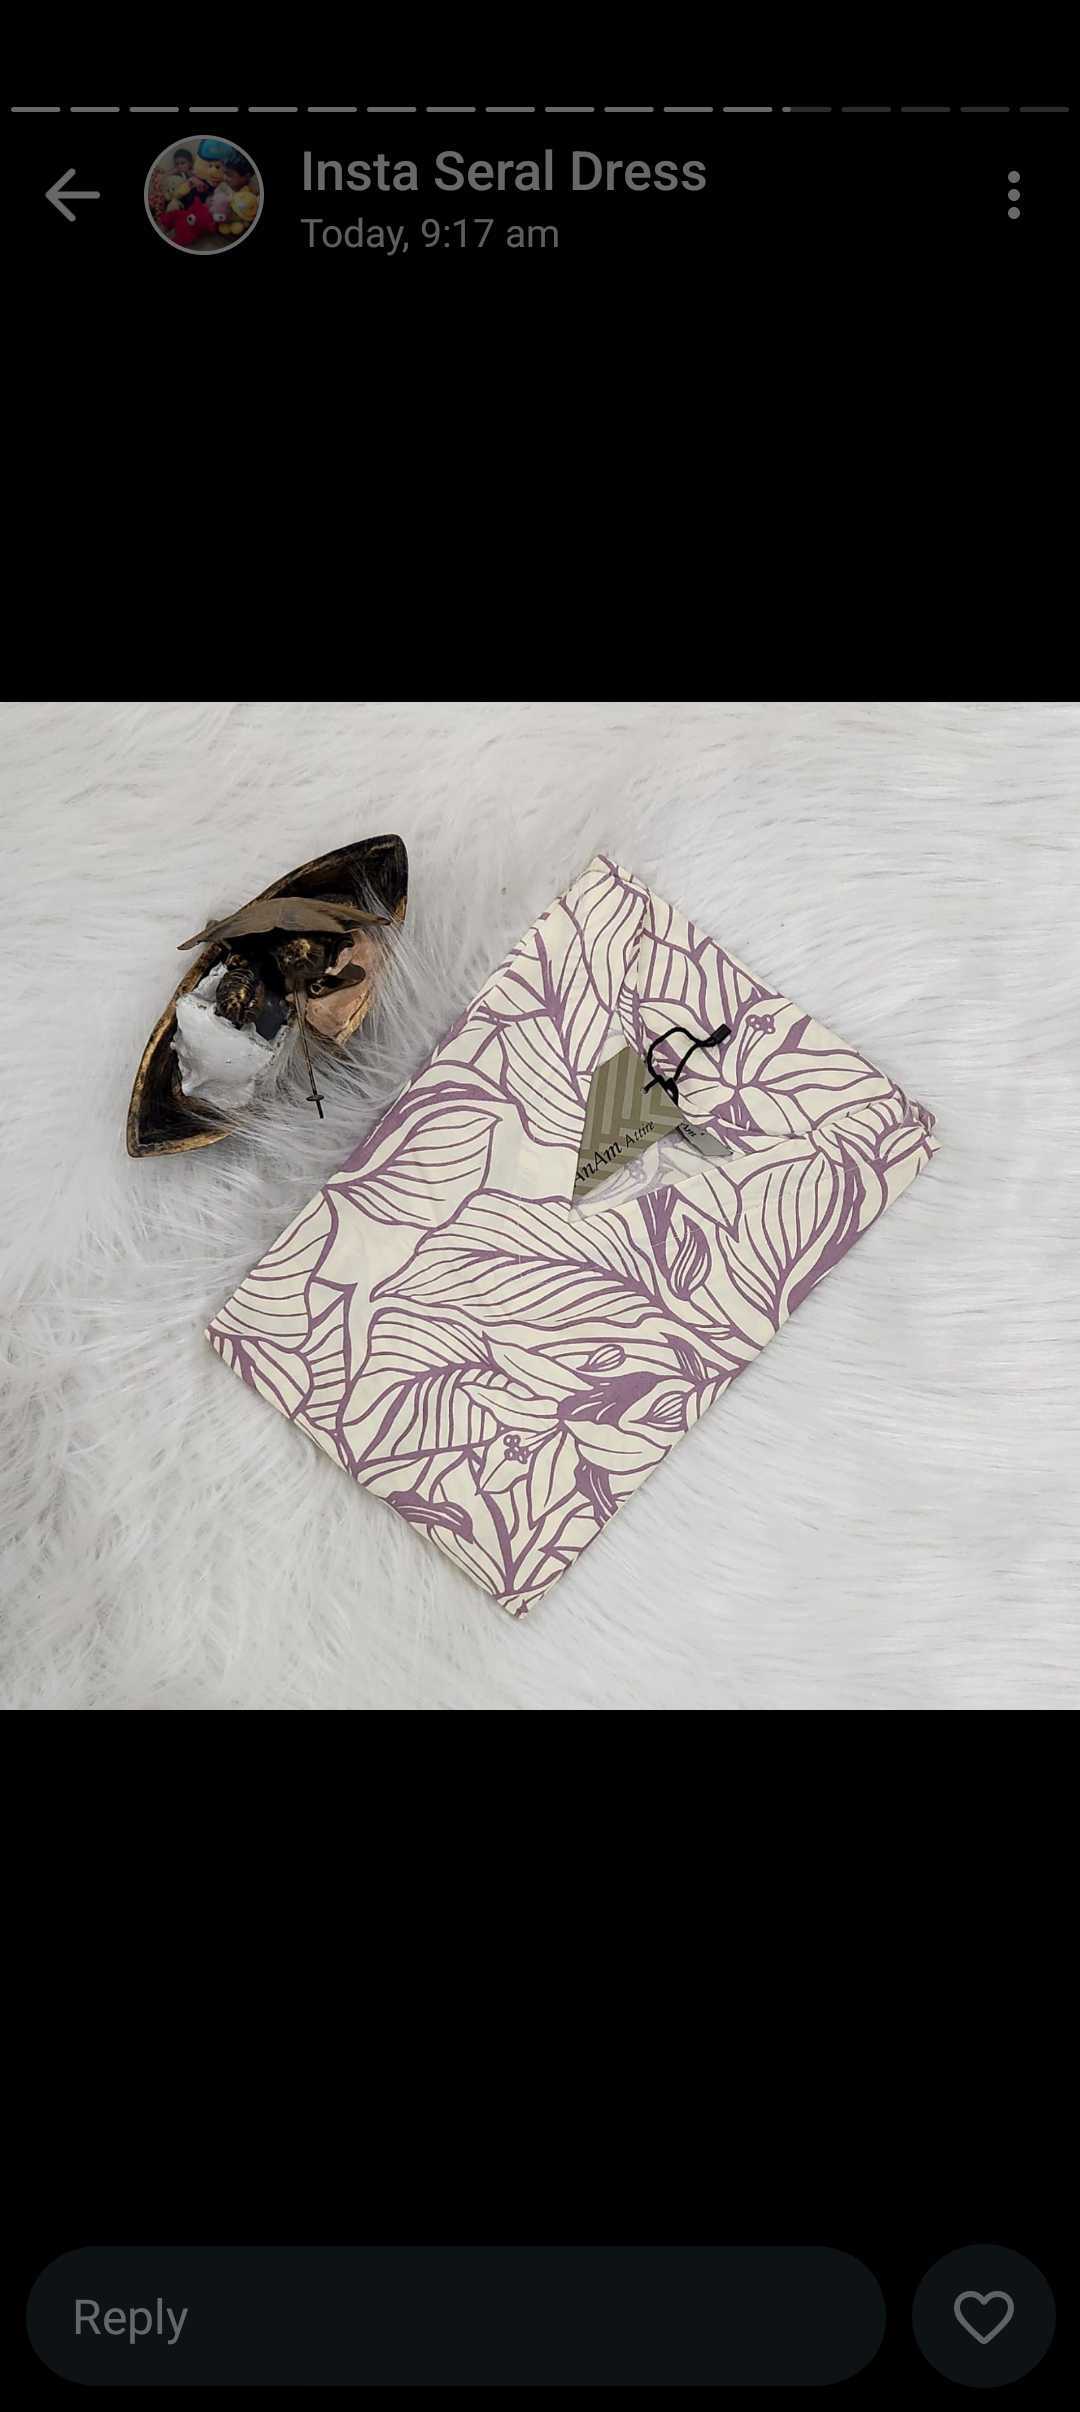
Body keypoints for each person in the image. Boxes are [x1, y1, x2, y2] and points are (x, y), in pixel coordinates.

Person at [215, 155, 260, 238]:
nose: (225, 178)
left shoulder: (252, 193)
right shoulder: (223, 186)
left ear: (247, 176)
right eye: (224, 173)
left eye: (229, 175)